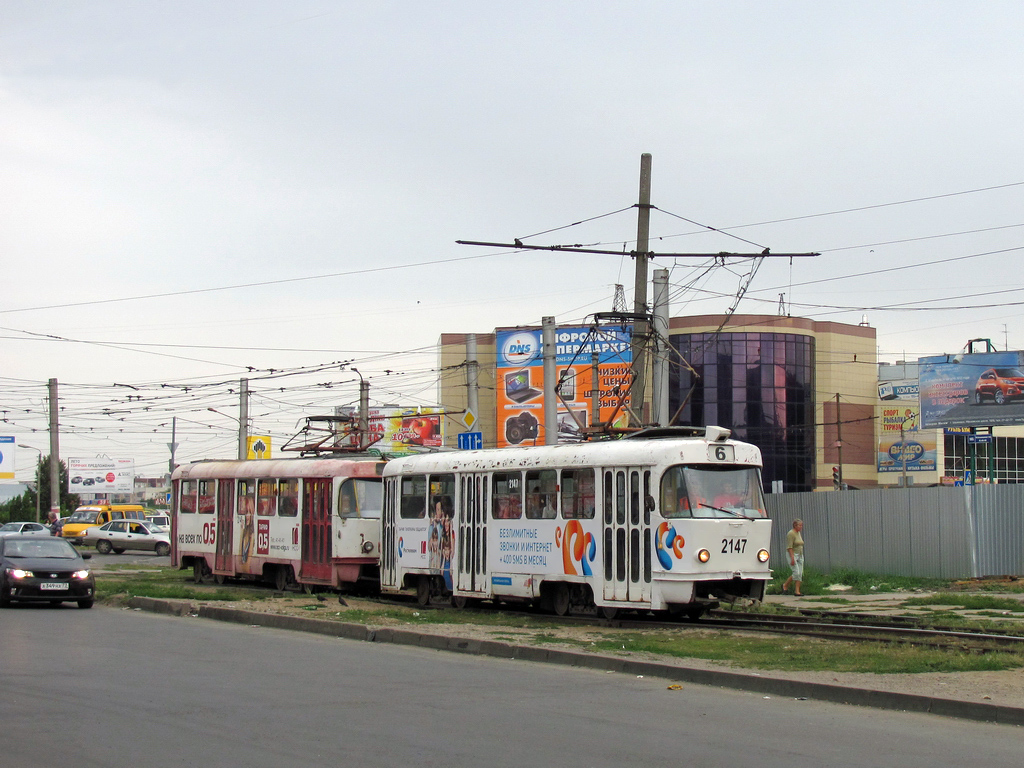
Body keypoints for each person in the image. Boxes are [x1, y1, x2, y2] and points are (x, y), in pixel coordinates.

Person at [781, 519, 804, 596]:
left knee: (800, 573)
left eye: (801, 525)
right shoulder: (791, 534)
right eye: (799, 525)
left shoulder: (798, 533)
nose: (801, 527)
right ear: (795, 525)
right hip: (793, 554)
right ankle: (785, 585)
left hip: (800, 554)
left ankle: (797, 591)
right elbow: (789, 547)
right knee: (796, 572)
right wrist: (792, 558)